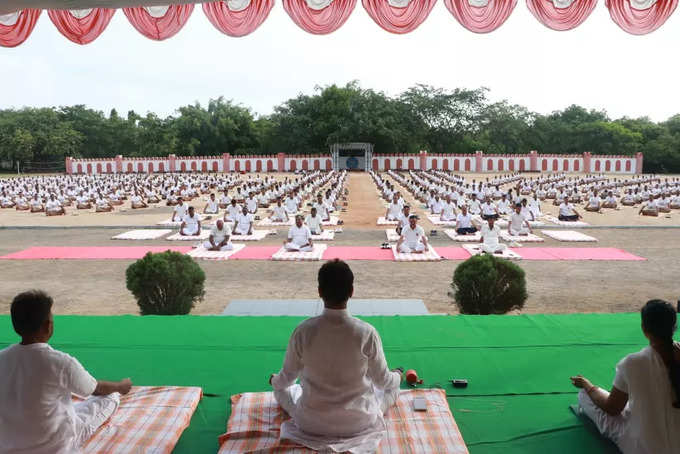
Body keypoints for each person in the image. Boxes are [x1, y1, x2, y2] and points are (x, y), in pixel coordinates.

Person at [269, 260, 402, 453]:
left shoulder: (303, 331)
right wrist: (398, 375)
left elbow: (286, 379)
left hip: (311, 424)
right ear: (351, 291)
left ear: (320, 291)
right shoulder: (366, 332)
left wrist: (274, 380)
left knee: (281, 390)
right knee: (391, 389)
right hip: (359, 422)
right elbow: (383, 381)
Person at [0, 290, 132, 454]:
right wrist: (120, 386)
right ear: (48, 326)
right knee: (110, 397)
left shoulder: (2, 358)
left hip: (8, 447)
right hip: (57, 447)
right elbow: (95, 389)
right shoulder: (60, 362)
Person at [570, 300, 680, 454]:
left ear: (644, 329)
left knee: (584, 396)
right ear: (674, 327)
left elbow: (612, 409)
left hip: (642, 448)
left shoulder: (633, 363)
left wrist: (587, 385)